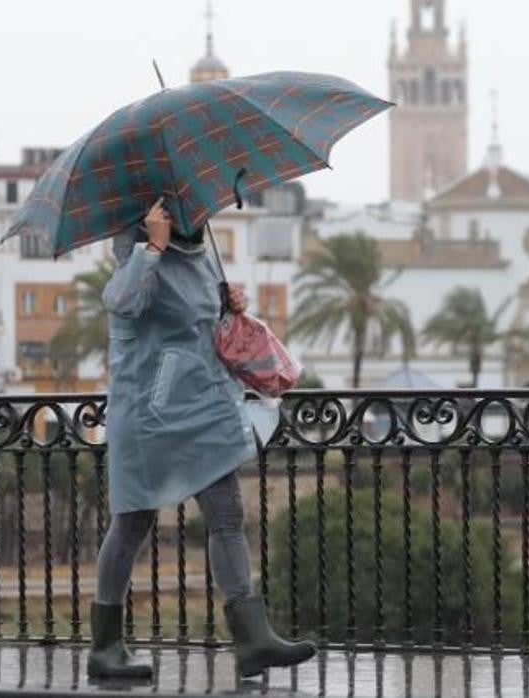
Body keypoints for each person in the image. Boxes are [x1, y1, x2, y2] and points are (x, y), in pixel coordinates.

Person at [87, 198, 316, 681]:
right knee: (131, 523)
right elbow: (122, 302)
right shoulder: (136, 253)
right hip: (147, 413)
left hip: (201, 407)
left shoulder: (201, 251)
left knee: (227, 514)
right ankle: (104, 646)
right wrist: (152, 245)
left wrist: (229, 304)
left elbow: (199, 325)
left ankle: (253, 639)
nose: (184, 211)